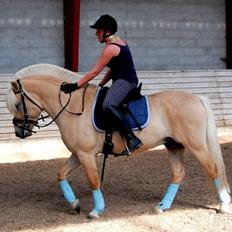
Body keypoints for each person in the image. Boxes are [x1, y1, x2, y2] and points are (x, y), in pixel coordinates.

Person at [60, 14, 142, 154]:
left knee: (108, 104)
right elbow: (113, 68)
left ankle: (131, 138)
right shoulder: (117, 42)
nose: (96, 33)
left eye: (98, 30)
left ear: (107, 31)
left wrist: (75, 85)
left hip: (126, 81)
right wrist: (101, 84)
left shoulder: (110, 48)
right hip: (121, 79)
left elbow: (94, 71)